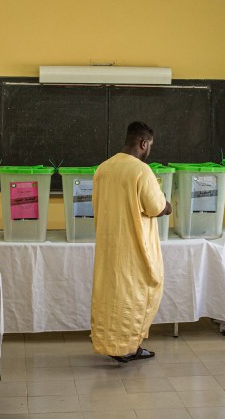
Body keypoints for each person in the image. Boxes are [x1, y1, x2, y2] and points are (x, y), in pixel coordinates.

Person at [90, 121, 172, 362]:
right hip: (135, 250)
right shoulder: (141, 171)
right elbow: (156, 207)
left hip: (108, 247)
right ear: (143, 143)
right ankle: (128, 347)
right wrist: (168, 206)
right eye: (150, 146)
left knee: (110, 298)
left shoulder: (102, 169)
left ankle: (110, 345)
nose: (149, 151)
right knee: (136, 297)